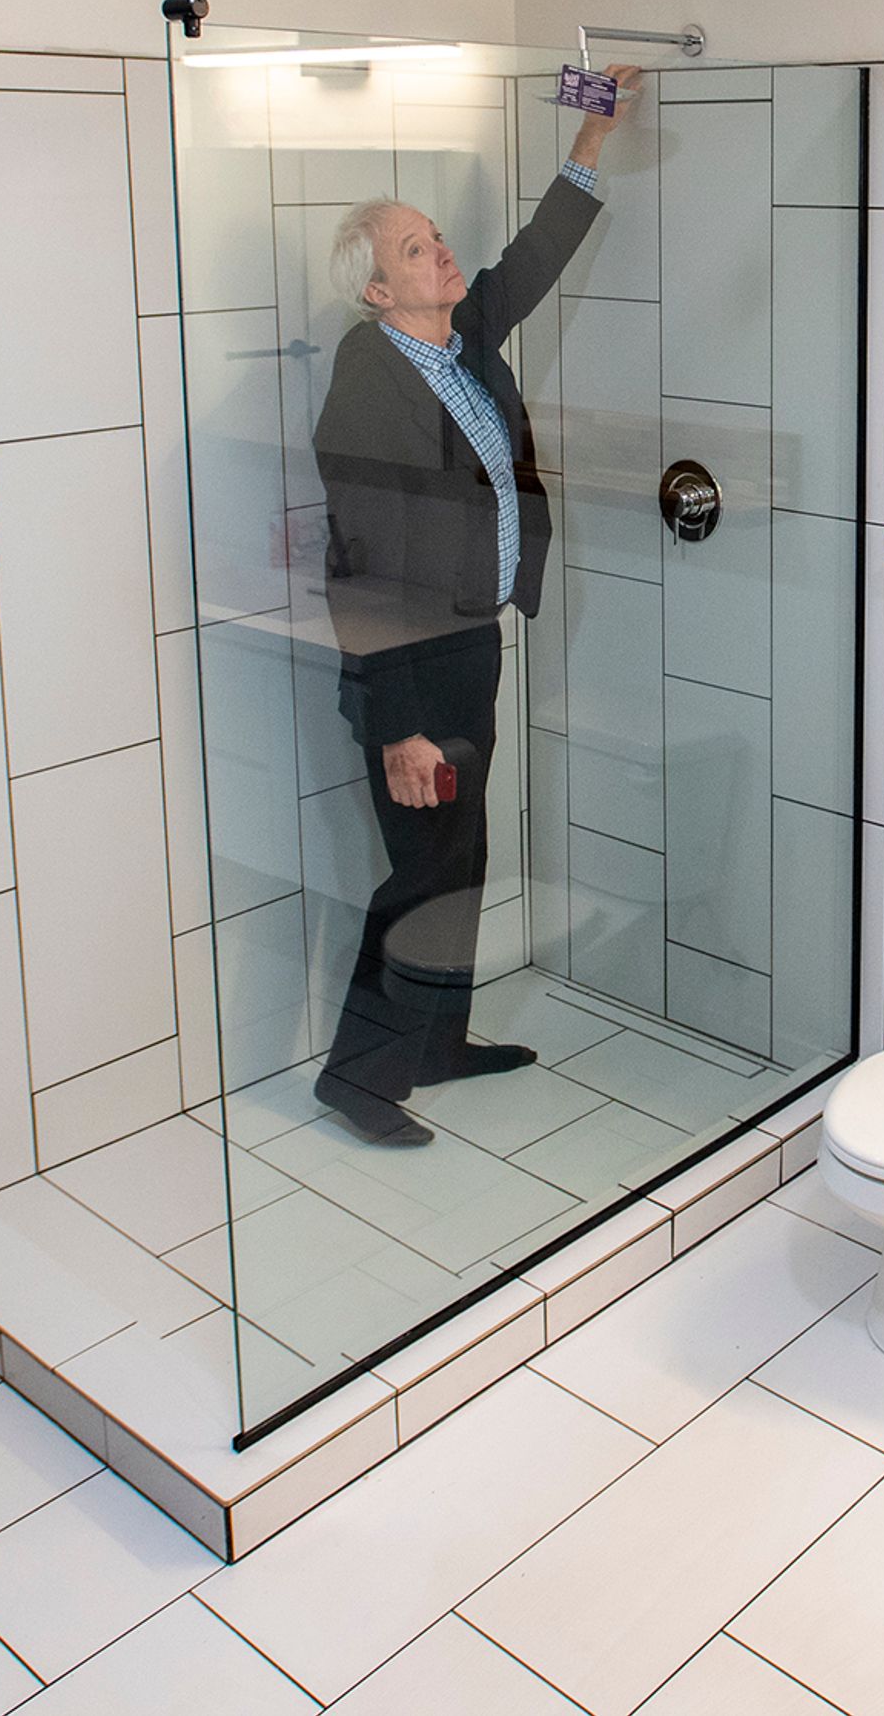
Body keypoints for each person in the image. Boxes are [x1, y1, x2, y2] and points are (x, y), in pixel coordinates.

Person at [306, 65, 645, 1143]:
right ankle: (356, 1079)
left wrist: (591, 136)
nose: (441, 251)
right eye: (416, 249)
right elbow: (361, 565)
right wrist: (399, 721)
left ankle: (437, 1042)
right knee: (425, 867)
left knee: (463, 852)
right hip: (413, 665)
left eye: (435, 238)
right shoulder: (372, 382)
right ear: (376, 291)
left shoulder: (455, 344)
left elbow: (532, 258)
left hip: (469, 644)